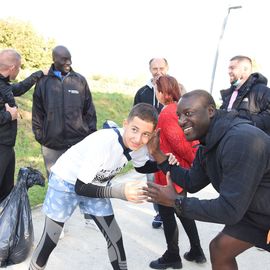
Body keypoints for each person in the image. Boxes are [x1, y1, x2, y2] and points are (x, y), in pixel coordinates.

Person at [29, 103, 178, 270]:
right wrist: (120, 191)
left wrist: (163, 161)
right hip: (66, 181)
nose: (138, 139)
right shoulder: (104, 142)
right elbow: (80, 187)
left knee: (115, 237)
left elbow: (141, 167)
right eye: (134, 130)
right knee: (51, 239)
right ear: (125, 124)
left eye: (145, 134)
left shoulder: (139, 146)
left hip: (94, 184)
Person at [144, 90, 270, 270]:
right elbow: (192, 182)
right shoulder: (208, 144)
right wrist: (158, 155)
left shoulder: (240, 140)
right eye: (179, 116)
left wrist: (176, 202)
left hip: (261, 211)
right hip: (254, 211)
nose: (181, 121)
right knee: (220, 249)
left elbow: (229, 210)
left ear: (210, 111)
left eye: (188, 114)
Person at [32, 45, 97, 231]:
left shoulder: (80, 80)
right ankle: (57, 226)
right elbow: (37, 112)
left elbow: (89, 111)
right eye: (63, 60)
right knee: (55, 183)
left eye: (69, 59)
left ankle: (89, 216)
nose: (68, 62)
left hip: (78, 142)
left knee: (85, 178)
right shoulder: (43, 82)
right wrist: (41, 135)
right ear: (54, 59)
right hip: (52, 143)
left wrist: (90, 135)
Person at [149, 76, 206, 269]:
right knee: (182, 211)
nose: (156, 93)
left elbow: (180, 144)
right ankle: (196, 251)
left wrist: (195, 166)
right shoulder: (177, 109)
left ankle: (173, 255)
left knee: (169, 213)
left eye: (157, 89)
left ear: (163, 92)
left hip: (170, 172)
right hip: (175, 171)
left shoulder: (167, 112)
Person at [0, 48, 45, 202]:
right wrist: (9, 115)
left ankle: (6, 222)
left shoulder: (3, 84)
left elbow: (17, 89)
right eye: (19, 68)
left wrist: (38, 74)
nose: (19, 71)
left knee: (6, 192)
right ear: (12, 67)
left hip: (7, 147)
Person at [133, 57, 169, 229]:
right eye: (155, 68)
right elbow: (134, 116)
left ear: (167, 68)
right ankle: (159, 212)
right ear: (150, 70)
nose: (158, 71)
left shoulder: (173, 89)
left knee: (169, 177)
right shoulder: (142, 92)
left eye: (161, 68)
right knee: (152, 178)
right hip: (149, 144)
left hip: (168, 144)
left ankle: (173, 209)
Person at [220, 55, 270, 135]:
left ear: (245, 69)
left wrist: (246, 123)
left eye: (232, 68)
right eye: (228, 68)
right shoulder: (228, 96)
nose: (229, 71)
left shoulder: (262, 91)